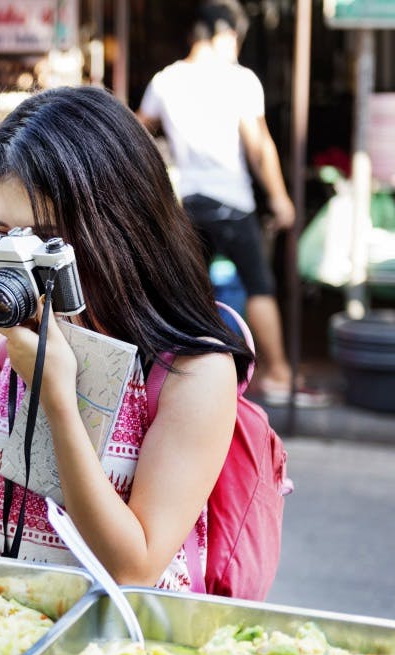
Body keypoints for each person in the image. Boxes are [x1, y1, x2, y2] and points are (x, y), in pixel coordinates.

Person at [0, 87, 252, 590]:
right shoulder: (9, 340)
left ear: (117, 228)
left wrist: (60, 403)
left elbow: (134, 567)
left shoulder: (190, 371)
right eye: (3, 234)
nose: (18, 262)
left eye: (43, 240)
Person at [137, 0, 325, 407]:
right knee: (258, 285)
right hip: (232, 202)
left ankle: (173, 373)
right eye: (236, 38)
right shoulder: (239, 80)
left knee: (186, 291)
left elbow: (135, 132)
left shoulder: (166, 80)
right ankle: (277, 372)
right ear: (223, 34)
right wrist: (279, 198)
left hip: (187, 203)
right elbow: (259, 147)